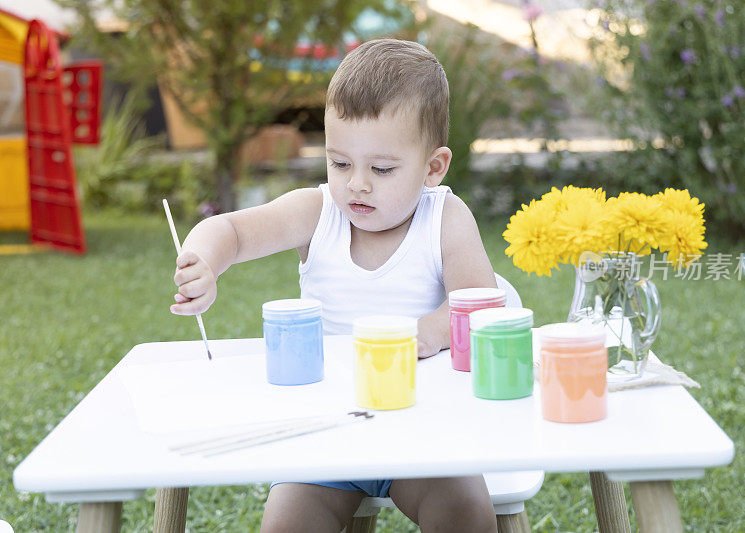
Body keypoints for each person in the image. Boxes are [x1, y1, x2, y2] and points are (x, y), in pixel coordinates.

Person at [171, 38, 499, 533]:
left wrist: (428, 331)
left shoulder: (445, 219)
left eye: (381, 169)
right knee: (285, 525)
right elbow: (232, 231)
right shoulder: (319, 212)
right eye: (340, 163)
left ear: (433, 168)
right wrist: (204, 262)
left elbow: (482, 307)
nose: (356, 184)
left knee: (467, 514)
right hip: (324, 435)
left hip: (426, 434)